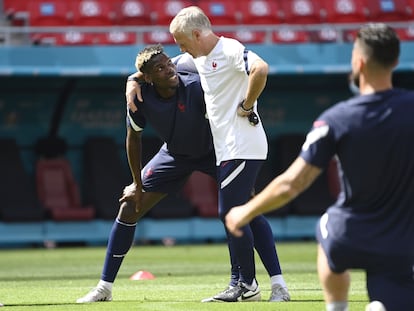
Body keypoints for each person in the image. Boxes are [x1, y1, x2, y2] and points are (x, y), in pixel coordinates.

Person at [77, 44, 289, 303]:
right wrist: (136, 184)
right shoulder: (140, 97)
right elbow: (133, 139)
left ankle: (278, 284)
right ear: (149, 78)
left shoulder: (197, 85)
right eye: (160, 68)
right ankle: (104, 288)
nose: (169, 69)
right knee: (129, 207)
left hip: (215, 151)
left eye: (169, 63)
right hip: (174, 155)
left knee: (245, 209)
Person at [224, 23, 414, 311]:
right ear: (397, 61)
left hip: (352, 235)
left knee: (327, 224)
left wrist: (244, 212)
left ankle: (337, 306)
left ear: (358, 62)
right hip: (403, 240)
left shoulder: (335, 120)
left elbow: (292, 184)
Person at [168, 5, 289, 303]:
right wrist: (134, 81)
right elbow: (162, 66)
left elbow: (260, 69)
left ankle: (245, 284)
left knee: (230, 213)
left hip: (242, 145)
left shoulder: (230, 48)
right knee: (249, 214)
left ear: (197, 34)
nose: (181, 48)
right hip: (229, 149)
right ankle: (278, 285)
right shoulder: (198, 57)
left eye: (183, 42)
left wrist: (247, 105)